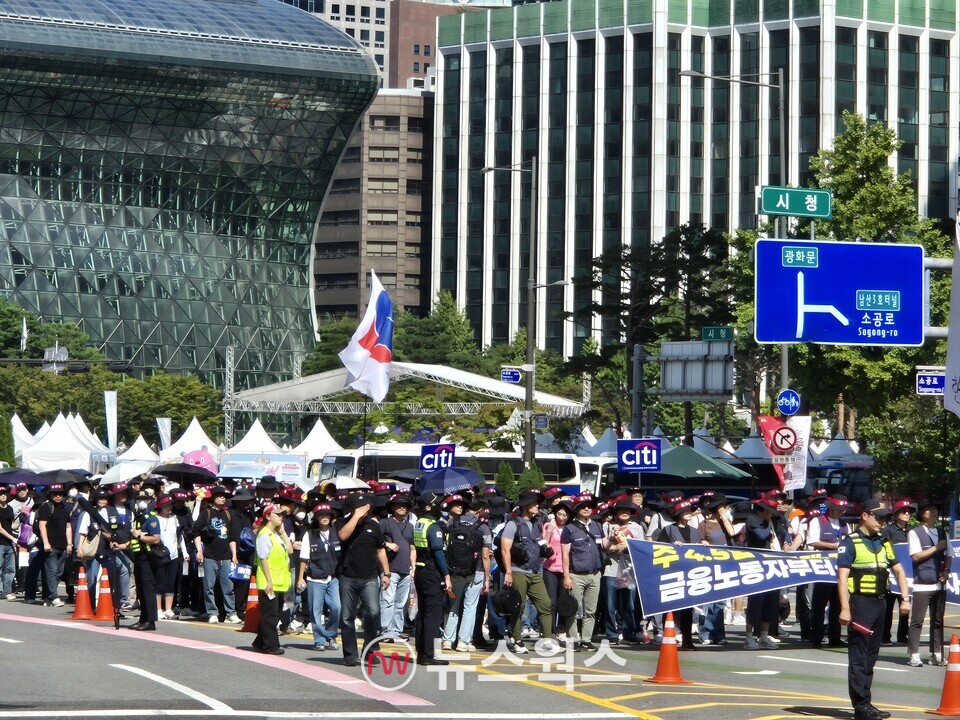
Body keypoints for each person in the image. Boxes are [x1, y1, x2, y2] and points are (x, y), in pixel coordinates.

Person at [838, 498, 910, 720]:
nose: (881, 521)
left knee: (871, 655)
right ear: (865, 516)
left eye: (884, 518)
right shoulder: (850, 542)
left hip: (880, 603)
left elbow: (899, 571)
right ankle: (861, 706)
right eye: (877, 517)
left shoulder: (883, 541)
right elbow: (842, 578)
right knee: (859, 655)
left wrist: (906, 598)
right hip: (861, 604)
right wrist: (844, 608)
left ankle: (866, 702)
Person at [500, 489, 558, 654]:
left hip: (534, 571)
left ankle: (546, 640)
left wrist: (547, 547)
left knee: (545, 604)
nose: (537, 506)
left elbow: (540, 544)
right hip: (518, 571)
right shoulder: (513, 524)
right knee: (518, 606)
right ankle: (517, 640)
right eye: (534, 503)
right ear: (526, 505)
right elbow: (505, 550)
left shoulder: (537, 523)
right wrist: (508, 572)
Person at [336, 492, 390, 667]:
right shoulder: (343, 523)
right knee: (346, 616)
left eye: (366, 508)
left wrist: (386, 573)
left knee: (373, 612)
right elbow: (343, 536)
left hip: (369, 577)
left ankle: (370, 649)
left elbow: (380, 550)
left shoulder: (374, 526)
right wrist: (355, 517)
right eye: (360, 508)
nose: (364, 511)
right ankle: (350, 654)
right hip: (348, 577)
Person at [442, 494, 490, 653]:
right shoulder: (482, 527)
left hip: (454, 569)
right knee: (470, 606)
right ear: (481, 509)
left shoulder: (452, 522)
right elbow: (485, 555)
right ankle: (463, 641)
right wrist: (487, 578)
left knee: (453, 605)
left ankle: (448, 640)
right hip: (475, 571)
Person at [906, 501, 949, 667]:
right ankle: (914, 654)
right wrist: (936, 547)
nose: (934, 512)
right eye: (930, 510)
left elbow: (949, 554)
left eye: (935, 510)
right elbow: (915, 556)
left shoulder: (942, 532)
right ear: (922, 514)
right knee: (917, 620)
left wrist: (947, 570)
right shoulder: (915, 532)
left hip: (940, 584)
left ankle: (936, 653)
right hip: (922, 583)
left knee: (938, 621)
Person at [560, 493, 604, 651]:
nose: (586, 508)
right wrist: (566, 576)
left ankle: (586, 640)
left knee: (591, 611)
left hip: (595, 574)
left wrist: (614, 540)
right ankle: (573, 640)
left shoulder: (597, 526)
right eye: (583, 506)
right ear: (576, 509)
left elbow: (603, 546)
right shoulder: (569, 528)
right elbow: (565, 554)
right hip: (575, 575)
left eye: (589, 506)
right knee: (573, 609)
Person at [412, 492, 452, 666]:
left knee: (422, 613)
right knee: (432, 615)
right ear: (428, 507)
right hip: (431, 571)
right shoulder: (434, 527)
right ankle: (428, 654)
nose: (440, 507)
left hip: (420, 570)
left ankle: (421, 653)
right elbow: (437, 553)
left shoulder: (420, 523)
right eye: (437, 504)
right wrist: (446, 575)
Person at [192, 486, 241, 624]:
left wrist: (234, 555)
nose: (223, 498)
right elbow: (196, 532)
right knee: (209, 586)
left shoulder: (228, 514)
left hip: (225, 556)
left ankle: (231, 613)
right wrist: (199, 551)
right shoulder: (206, 513)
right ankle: (212, 612)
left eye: (224, 496)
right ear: (213, 498)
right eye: (220, 495)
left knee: (228, 587)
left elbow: (232, 537)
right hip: (209, 555)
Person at [658, 498, 702, 649]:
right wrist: (670, 545)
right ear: (679, 514)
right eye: (686, 511)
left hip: (690, 573)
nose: (690, 513)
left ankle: (687, 640)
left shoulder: (695, 531)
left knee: (687, 609)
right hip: (673, 572)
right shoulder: (669, 530)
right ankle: (668, 636)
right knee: (671, 608)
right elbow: (658, 548)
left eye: (690, 511)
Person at [297, 503, 342, 651]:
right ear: (316, 518)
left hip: (333, 578)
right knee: (315, 611)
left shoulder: (337, 532)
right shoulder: (309, 535)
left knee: (336, 607)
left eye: (327, 515)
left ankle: (331, 635)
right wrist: (300, 578)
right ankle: (319, 640)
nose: (325, 518)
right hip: (314, 579)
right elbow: (304, 558)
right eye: (321, 515)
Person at [601, 497, 645, 645]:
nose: (625, 512)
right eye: (622, 510)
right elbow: (605, 548)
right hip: (611, 569)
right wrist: (615, 544)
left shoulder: (637, 527)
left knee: (629, 604)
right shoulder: (607, 526)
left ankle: (629, 632)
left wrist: (626, 549)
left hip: (629, 570)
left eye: (628, 510)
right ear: (616, 512)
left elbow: (641, 548)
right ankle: (611, 633)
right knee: (610, 605)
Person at [809, 494, 850, 648]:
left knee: (838, 603)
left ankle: (835, 637)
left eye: (842, 510)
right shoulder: (817, 521)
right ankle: (817, 637)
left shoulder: (845, 524)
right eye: (837, 510)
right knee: (819, 604)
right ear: (830, 508)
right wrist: (834, 546)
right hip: (823, 568)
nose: (840, 513)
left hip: (840, 568)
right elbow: (812, 541)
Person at [253, 504, 293, 655]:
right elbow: (263, 559)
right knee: (270, 614)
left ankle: (260, 642)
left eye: (282, 515)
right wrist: (269, 581)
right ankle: (271, 645)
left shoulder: (275, 534)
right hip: (269, 582)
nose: (281, 517)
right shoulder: (264, 535)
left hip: (279, 582)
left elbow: (289, 550)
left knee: (274, 613)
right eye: (277, 514)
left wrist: (283, 533)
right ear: (268, 517)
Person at [743, 496, 783, 650]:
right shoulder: (752, 519)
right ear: (765, 510)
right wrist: (769, 528)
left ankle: (764, 636)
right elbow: (761, 535)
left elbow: (784, 533)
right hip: (756, 566)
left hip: (771, 566)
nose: (772, 514)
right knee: (756, 602)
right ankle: (748, 637)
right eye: (770, 511)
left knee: (770, 602)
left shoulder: (771, 521)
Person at [698, 493, 734, 645]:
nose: (727, 509)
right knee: (707, 602)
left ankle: (719, 633)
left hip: (724, 566)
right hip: (708, 566)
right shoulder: (703, 524)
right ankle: (705, 632)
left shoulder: (726, 522)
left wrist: (724, 517)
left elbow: (732, 533)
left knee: (720, 603)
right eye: (724, 506)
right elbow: (698, 542)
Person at [380, 493, 415, 642]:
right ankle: (385, 630)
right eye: (399, 505)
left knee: (401, 603)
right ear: (392, 507)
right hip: (390, 568)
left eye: (405, 505)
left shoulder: (411, 526)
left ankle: (396, 630)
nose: (402, 507)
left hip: (405, 569)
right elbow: (376, 541)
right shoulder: (385, 523)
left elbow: (412, 548)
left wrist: (413, 567)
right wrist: (388, 544)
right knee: (387, 600)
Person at [881, 500, 914, 646]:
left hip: (907, 574)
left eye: (909, 511)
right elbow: (882, 548)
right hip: (891, 573)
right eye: (903, 511)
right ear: (896, 514)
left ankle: (902, 635)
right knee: (888, 607)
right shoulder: (888, 530)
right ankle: (885, 636)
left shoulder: (912, 531)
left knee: (905, 604)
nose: (907, 514)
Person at [129, 492, 161, 631]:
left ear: (149, 501)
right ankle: (143, 618)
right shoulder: (138, 518)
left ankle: (151, 621)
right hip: (138, 557)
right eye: (138, 500)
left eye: (143, 500)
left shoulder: (151, 519)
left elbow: (155, 539)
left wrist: (140, 535)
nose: (140, 502)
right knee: (140, 589)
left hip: (148, 557)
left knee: (148, 589)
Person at [37, 483, 71, 608]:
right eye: (55, 494)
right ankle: (53, 596)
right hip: (50, 545)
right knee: (51, 571)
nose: (58, 496)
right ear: (50, 494)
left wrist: (69, 543)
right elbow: (42, 525)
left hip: (63, 545)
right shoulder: (46, 507)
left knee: (58, 572)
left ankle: (48, 596)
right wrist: (46, 542)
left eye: (60, 494)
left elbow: (68, 527)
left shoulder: (65, 508)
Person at [541, 500, 570, 643]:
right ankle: (549, 630)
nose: (562, 517)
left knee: (563, 601)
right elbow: (543, 544)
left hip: (566, 569)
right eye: (559, 514)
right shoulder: (548, 525)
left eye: (565, 515)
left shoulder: (571, 528)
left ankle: (561, 628)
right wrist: (550, 530)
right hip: (551, 567)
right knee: (551, 601)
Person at [153, 494, 181, 620]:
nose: (169, 507)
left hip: (173, 554)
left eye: (170, 505)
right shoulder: (155, 519)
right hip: (160, 554)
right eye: (166, 505)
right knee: (159, 582)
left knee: (171, 583)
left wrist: (183, 553)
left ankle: (168, 609)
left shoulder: (174, 518)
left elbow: (179, 537)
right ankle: (158, 609)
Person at [0, 485, 16, 600]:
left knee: (10, 568)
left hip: (9, 543)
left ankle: (6, 592)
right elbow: (0, 528)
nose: (3, 495)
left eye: (5, 493)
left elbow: (11, 525)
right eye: (1, 494)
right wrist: (13, 538)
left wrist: (22, 522)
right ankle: (0, 591)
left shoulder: (10, 508)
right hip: (1, 542)